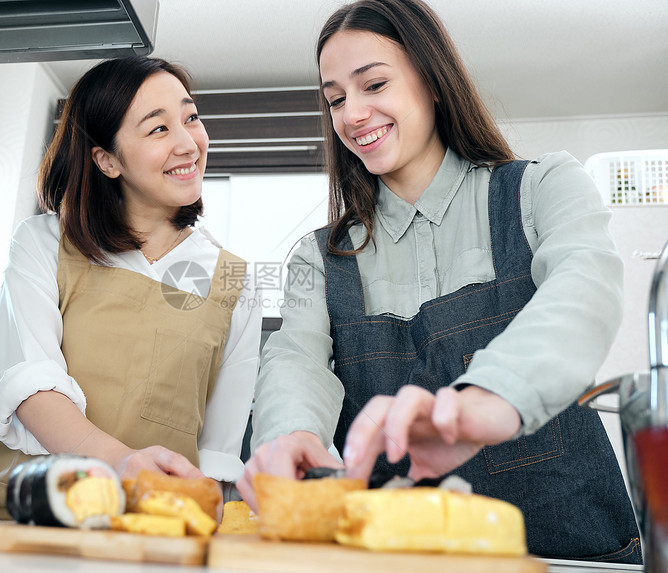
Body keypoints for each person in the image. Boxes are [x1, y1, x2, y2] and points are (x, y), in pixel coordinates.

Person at [237, 0, 641, 563]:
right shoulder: (318, 257)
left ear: (431, 80)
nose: (352, 114)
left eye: (373, 84)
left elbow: (582, 289)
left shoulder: (543, 187)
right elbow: (295, 359)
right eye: (335, 99)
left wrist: (484, 400)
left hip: (572, 549)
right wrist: (289, 435)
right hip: (403, 555)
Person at [0, 56, 262, 520]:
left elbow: (216, 451)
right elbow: (32, 387)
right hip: (18, 510)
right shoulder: (44, 242)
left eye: (190, 118)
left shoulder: (234, 279)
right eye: (158, 129)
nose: (188, 143)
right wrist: (123, 465)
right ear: (107, 159)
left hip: (144, 528)